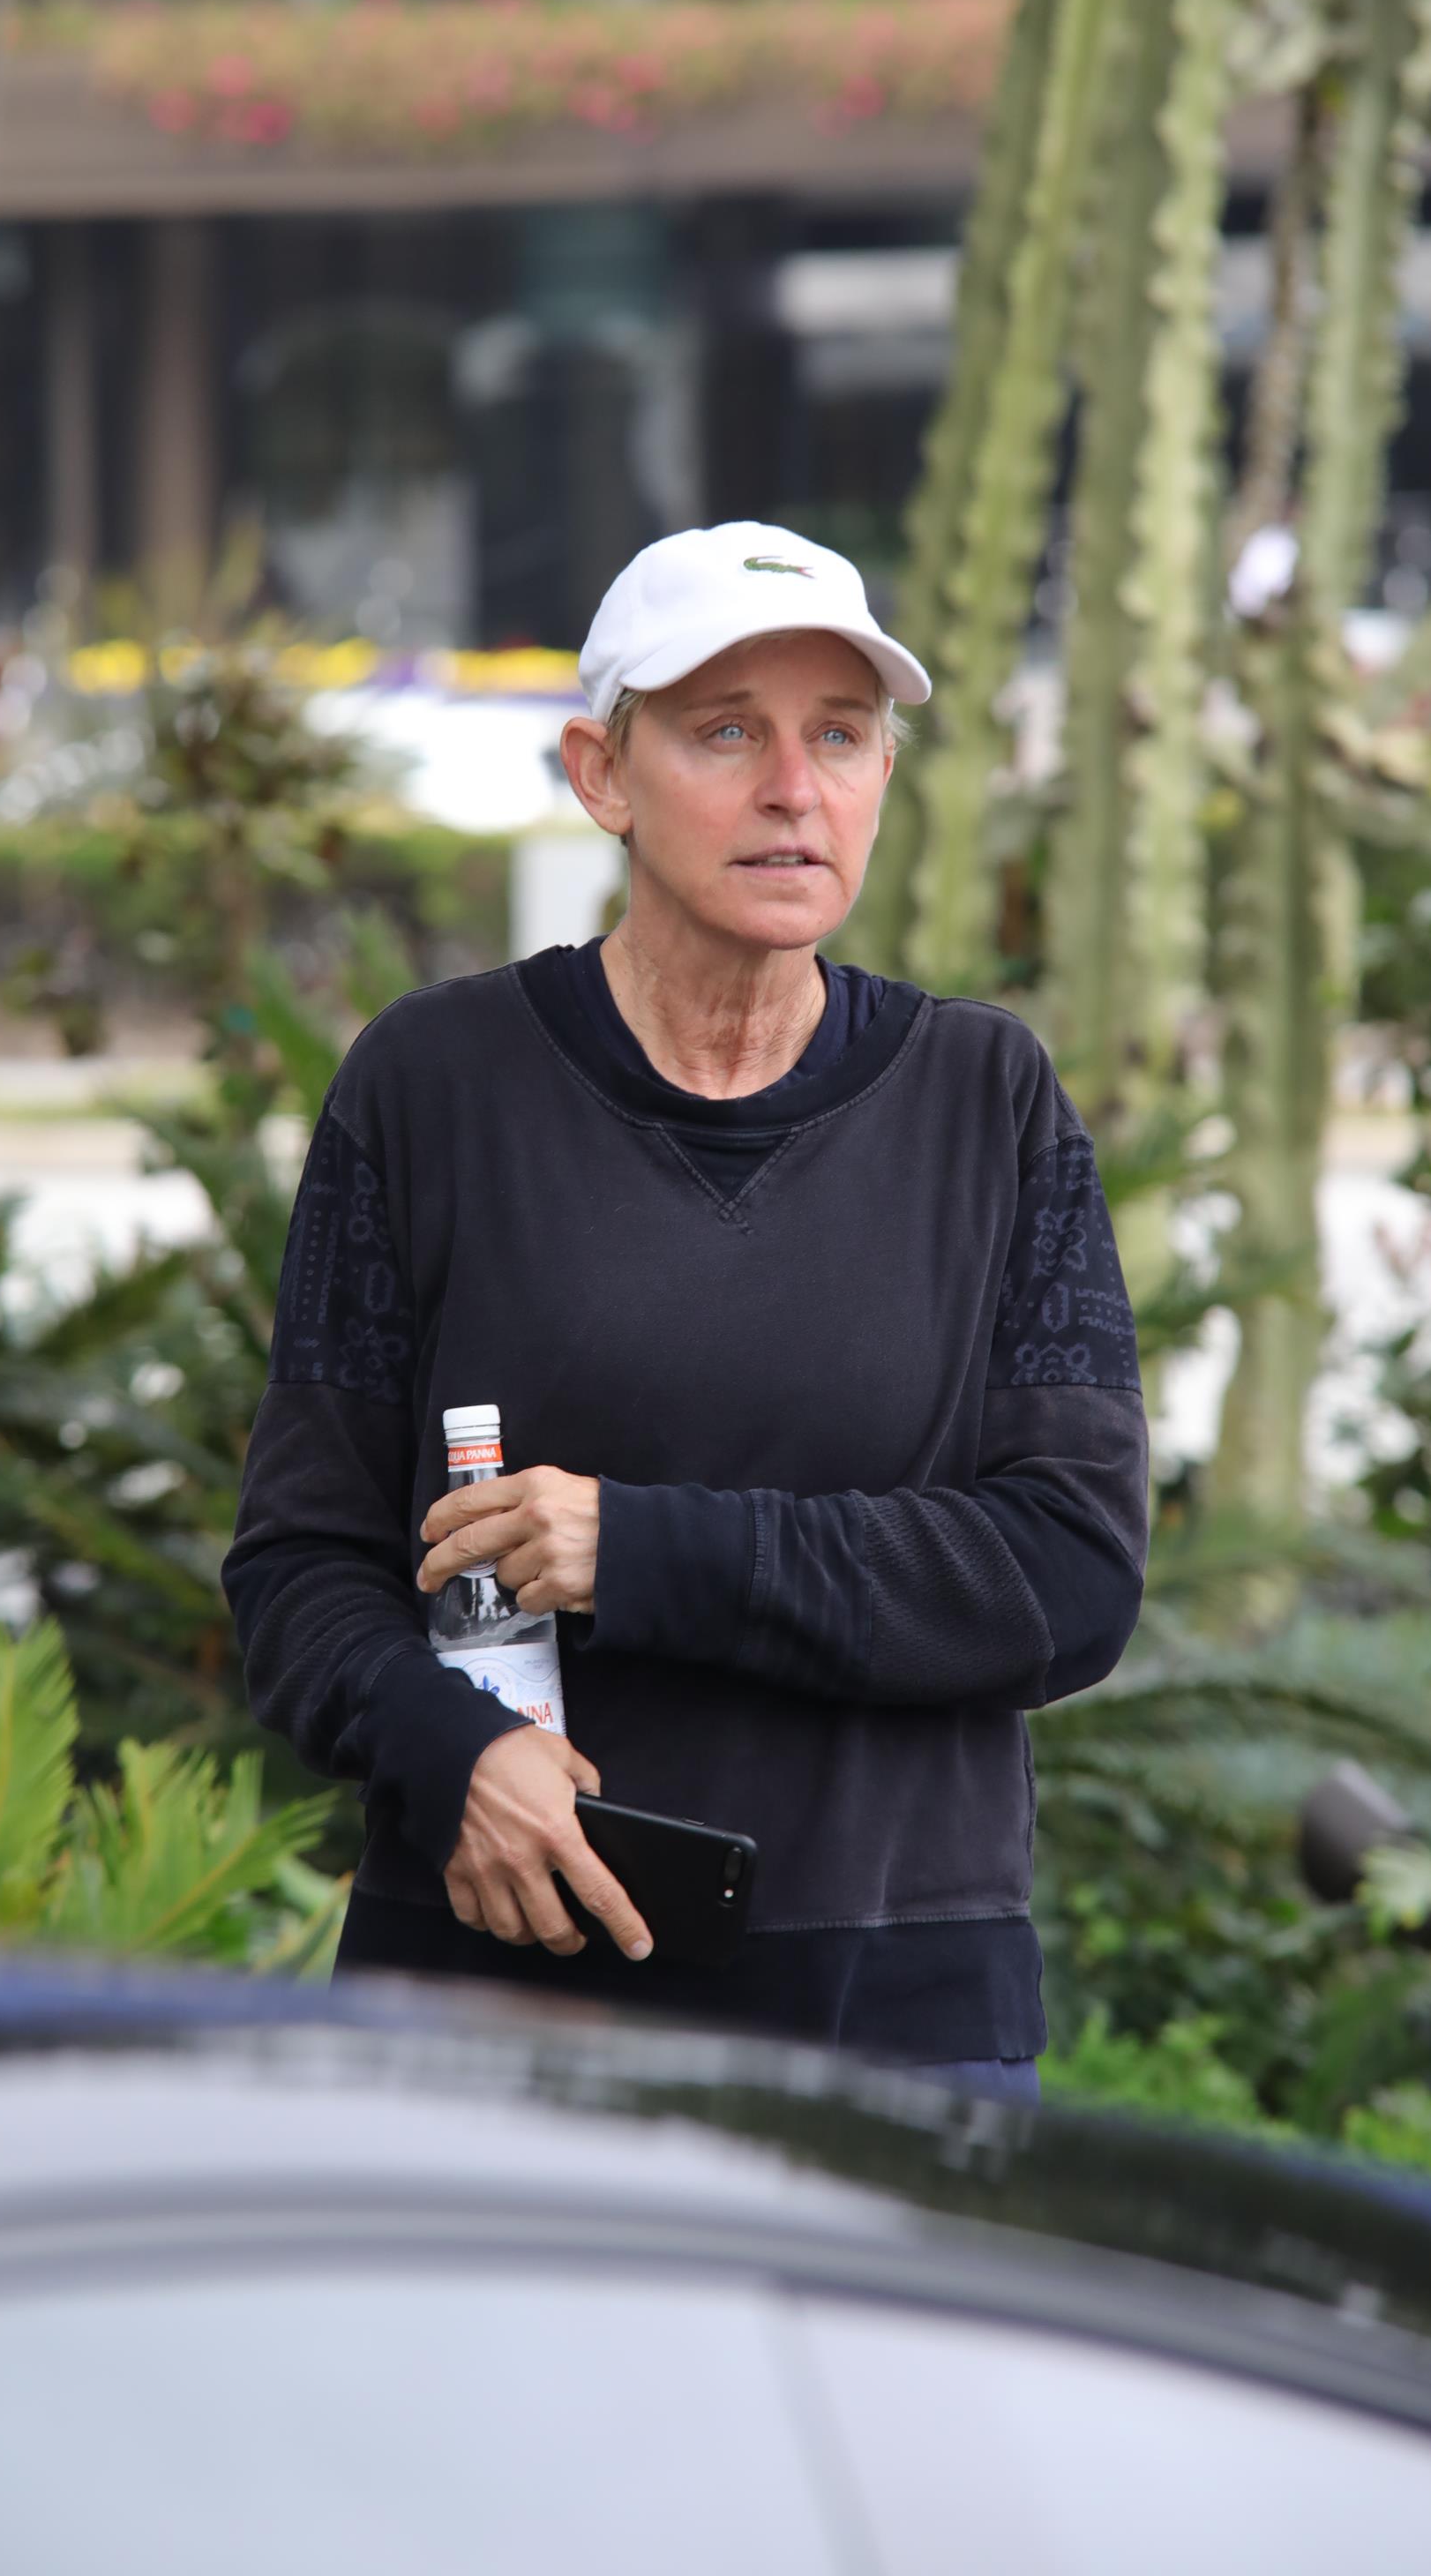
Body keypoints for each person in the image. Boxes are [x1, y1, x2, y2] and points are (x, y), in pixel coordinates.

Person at [224, 520, 1149, 2095]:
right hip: (494, 2007)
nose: (794, 788)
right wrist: (454, 1757)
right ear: (602, 774)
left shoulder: (987, 1101)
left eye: (840, 737)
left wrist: (639, 1549)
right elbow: (301, 1564)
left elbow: (1068, 1576)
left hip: (899, 2013)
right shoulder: (433, 1089)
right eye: (727, 732)